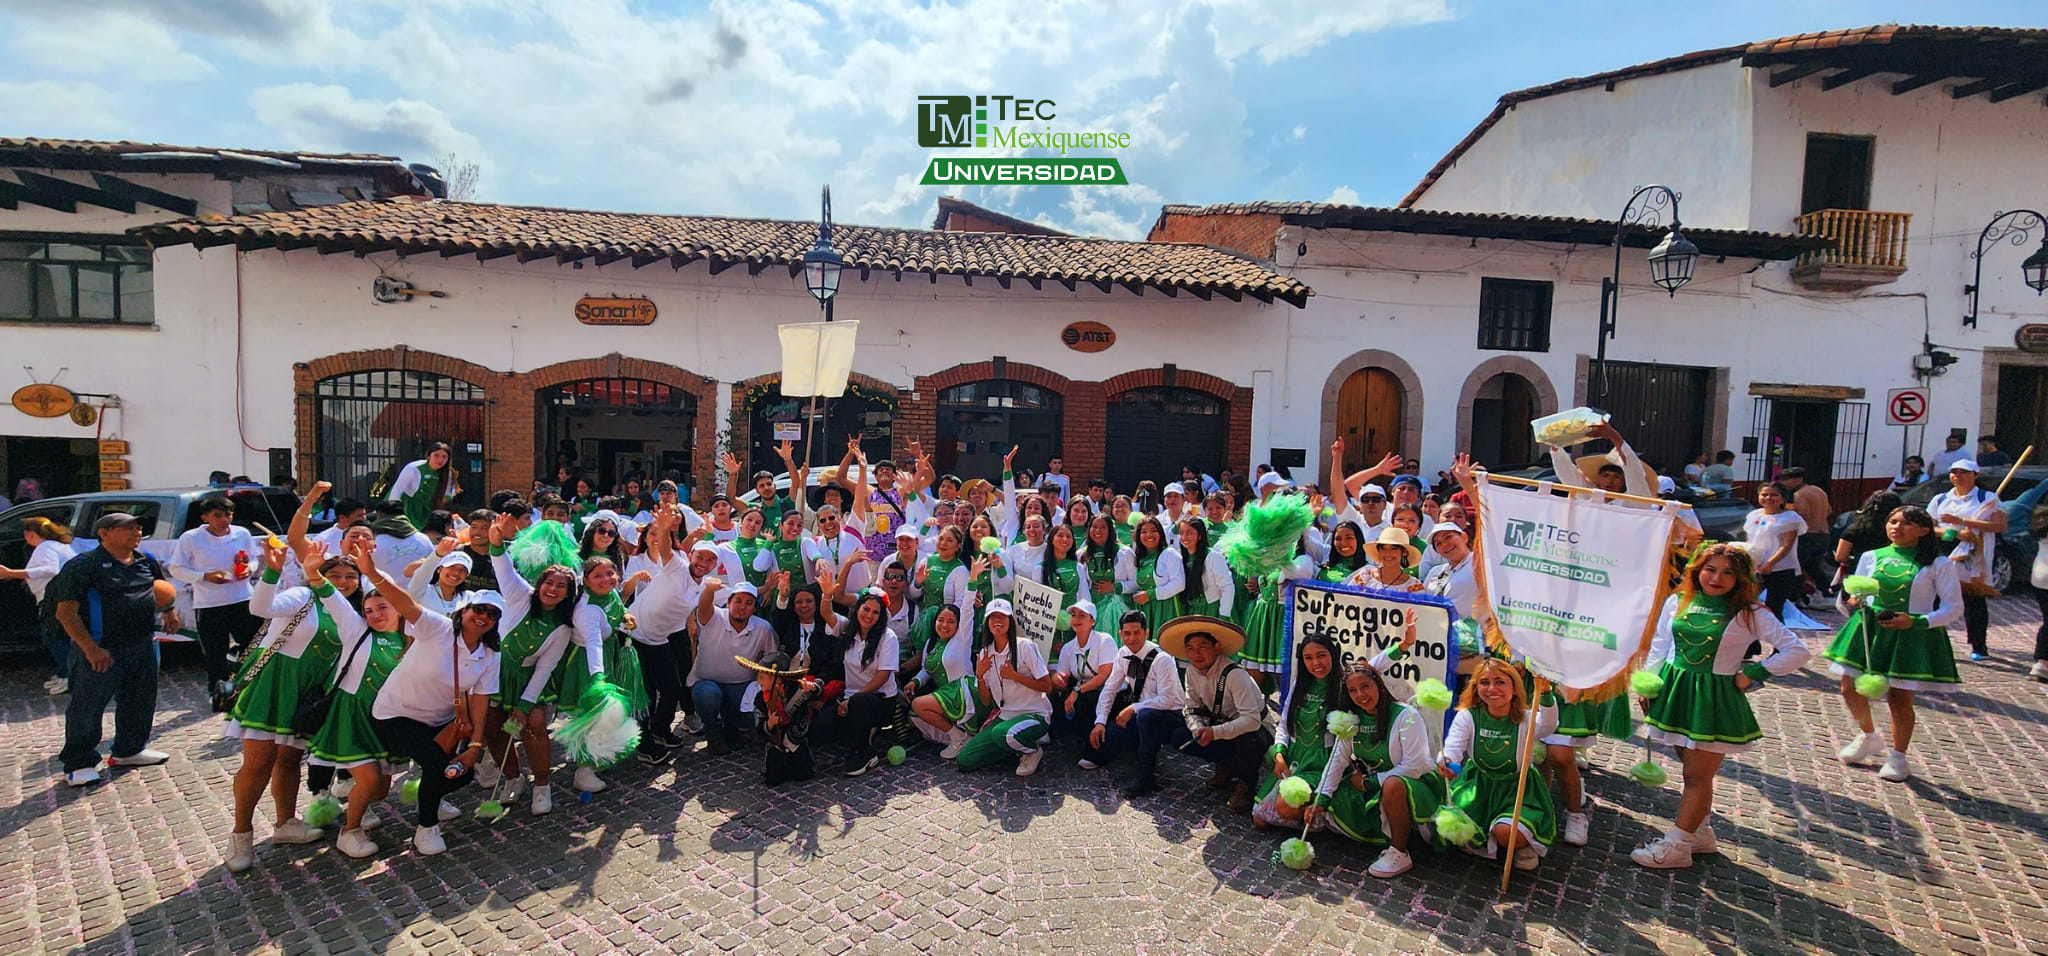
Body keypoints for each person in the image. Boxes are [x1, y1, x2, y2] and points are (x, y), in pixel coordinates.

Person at [1632, 543, 1811, 868]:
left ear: (1741, 578)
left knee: (1697, 777)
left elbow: (1796, 650)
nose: (1717, 578)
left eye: (1728, 572)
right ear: (1697, 569)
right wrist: (1648, 682)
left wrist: (1752, 674)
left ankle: (1679, 844)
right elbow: (1661, 644)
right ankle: (1699, 832)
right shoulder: (1677, 600)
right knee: (1692, 772)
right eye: (1710, 569)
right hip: (1674, 692)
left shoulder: (1750, 613)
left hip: (1713, 700)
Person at [222, 538, 363, 869]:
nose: (343, 582)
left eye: (351, 576)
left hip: (308, 692)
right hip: (273, 683)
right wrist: (272, 571)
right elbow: (260, 609)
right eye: (337, 575)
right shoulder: (303, 596)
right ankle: (241, 834)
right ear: (319, 574)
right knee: (257, 763)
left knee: (289, 760)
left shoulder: (352, 611)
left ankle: (286, 823)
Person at [1825, 506, 1962, 783]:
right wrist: (1856, 598)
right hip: (1869, 628)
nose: (1896, 527)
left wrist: (1916, 622)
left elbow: (1953, 608)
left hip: (1911, 633)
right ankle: (1868, 736)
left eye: (1906, 523)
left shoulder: (1939, 564)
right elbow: (1855, 591)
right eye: (1893, 520)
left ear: (1924, 530)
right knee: (1849, 687)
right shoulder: (1871, 556)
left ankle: (1899, 756)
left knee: (1899, 699)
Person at [370, 582, 502, 857]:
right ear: (464, 611)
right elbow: (406, 604)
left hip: (441, 722)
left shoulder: (489, 654)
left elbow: (481, 699)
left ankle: (429, 795)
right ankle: (426, 827)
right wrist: (371, 572)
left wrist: (475, 746)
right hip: (396, 713)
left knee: (462, 773)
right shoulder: (438, 628)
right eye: (479, 609)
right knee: (438, 767)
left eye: (492, 614)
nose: (484, 617)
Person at [52, 512, 178, 787]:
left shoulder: (145, 559)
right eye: (128, 528)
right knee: (88, 706)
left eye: (138, 527)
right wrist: (90, 648)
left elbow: (157, 587)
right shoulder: (83, 566)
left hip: (143, 643)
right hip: (101, 648)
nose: (136, 532)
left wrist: (169, 611)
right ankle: (79, 762)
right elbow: (66, 613)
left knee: (140, 699)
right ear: (104, 533)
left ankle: (128, 750)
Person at [305, 556, 412, 860]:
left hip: (385, 721)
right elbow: (332, 598)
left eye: (383, 607)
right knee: (369, 780)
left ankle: (351, 798)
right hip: (350, 718)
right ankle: (349, 831)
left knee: (378, 788)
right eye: (369, 609)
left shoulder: (411, 641)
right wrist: (313, 572)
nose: (375, 614)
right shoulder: (356, 631)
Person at [1307, 664, 1443, 879]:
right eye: (1353, 690)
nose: (1360, 695)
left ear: (1378, 685)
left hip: (1414, 784)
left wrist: (1369, 783)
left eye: (1365, 686)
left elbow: (1413, 767)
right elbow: (1337, 760)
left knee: (1393, 785)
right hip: (1373, 784)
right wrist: (1321, 799)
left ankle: (1400, 851)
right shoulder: (1351, 720)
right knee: (1331, 795)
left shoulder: (1406, 716)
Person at [1438, 657, 1558, 872]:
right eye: (1484, 682)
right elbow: (1453, 747)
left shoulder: (1526, 718)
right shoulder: (1468, 716)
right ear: (1476, 687)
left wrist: (1546, 691)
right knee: (1444, 827)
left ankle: (1522, 844)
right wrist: (1448, 762)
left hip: (1518, 789)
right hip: (1478, 787)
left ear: (1514, 686)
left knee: (1508, 834)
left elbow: (1549, 725)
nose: (1492, 689)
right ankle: (1486, 835)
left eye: (1500, 682)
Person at [1164, 615, 1272, 812]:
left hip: (1258, 730)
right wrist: (1198, 729)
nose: (1196, 654)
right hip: (1222, 724)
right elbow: (1191, 708)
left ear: (1217, 647)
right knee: (1180, 737)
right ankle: (1227, 764)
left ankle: (1247, 785)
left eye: (1203, 646)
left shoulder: (1235, 674)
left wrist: (1215, 733)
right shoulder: (1191, 672)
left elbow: (1252, 720)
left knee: (1248, 739)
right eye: (1191, 648)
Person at [169, 496, 262, 712]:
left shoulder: (242, 533)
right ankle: (219, 694)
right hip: (210, 603)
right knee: (215, 653)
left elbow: (253, 558)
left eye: (228, 515)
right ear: (205, 518)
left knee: (253, 646)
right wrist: (204, 576)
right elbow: (176, 568)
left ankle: (252, 689)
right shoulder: (191, 538)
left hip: (242, 599)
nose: (224, 520)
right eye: (217, 515)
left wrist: (250, 569)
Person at [1086, 610, 1189, 797]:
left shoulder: (1162, 659)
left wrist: (1134, 708)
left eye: (1137, 633)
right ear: (1120, 634)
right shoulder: (1122, 653)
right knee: (1106, 738)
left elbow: (1170, 699)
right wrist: (1099, 722)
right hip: (1140, 710)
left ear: (1146, 632)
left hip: (1169, 715)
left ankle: (1145, 777)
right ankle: (1121, 747)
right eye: (1127, 633)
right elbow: (1110, 688)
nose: (1131, 638)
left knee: (1146, 718)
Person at [956, 599, 1055, 776]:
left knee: (1004, 734)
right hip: (1005, 717)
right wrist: (979, 676)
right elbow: (986, 700)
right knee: (965, 760)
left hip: (1034, 713)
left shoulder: (1025, 646)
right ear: (987, 622)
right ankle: (1013, 745)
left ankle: (1032, 750)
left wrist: (1016, 676)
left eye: (1002, 616)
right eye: (992, 617)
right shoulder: (986, 652)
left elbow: (1047, 686)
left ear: (1010, 620)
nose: (997, 621)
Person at [1252, 634, 1342, 827]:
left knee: (1286, 808)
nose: (1316, 663)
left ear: (1333, 655)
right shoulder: (1300, 684)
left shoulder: (1343, 686)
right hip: (1294, 758)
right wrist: (1279, 756)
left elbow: (1373, 668)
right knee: (1259, 820)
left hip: (1321, 762)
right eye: (1308, 658)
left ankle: (1319, 814)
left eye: (1321, 655)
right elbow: (1284, 725)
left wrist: (1402, 646)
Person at [686, 579, 779, 755]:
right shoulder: (713, 618)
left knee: (751, 718)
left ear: (754, 608)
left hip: (742, 686)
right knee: (707, 695)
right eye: (737, 601)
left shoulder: (763, 628)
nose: (742, 607)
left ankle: (734, 726)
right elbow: (704, 606)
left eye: (748, 603)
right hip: (707, 683)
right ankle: (713, 734)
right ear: (728, 602)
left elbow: (771, 660)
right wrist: (709, 590)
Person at [1927, 460, 2005, 661]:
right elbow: (1929, 527)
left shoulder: (1987, 499)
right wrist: (1953, 533)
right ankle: (1929, 640)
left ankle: (1979, 645)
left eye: (1963, 472)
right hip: (1945, 551)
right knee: (1934, 598)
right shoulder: (1940, 499)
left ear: (1975, 475)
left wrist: (1964, 522)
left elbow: (1999, 525)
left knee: (1974, 602)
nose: (1957, 476)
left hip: (1974, 554)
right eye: (1954, 472)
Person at [0, 515, 78, 694]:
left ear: (31, 533)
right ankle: (63, 672)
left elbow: (51, 569)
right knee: (61, 636)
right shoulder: (59, 545)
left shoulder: (45, 547)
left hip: (54, 598)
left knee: (54, 637)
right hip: (62, 596)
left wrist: (11, 573)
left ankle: (67, 675)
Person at [836, 591, 901, 776]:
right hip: (849, 697)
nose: (869, 615)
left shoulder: (888, 637)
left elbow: (883, 676)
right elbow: (827, 613)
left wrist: (853, 699)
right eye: (865, 609)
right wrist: (827, 593)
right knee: (820, 728)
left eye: (875, 612)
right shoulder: (849, 632)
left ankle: (865, 752)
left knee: (859, 703)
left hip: (879, 700)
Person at [906, 604, 980, 757]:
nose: (944, 625)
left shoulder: (962, 640)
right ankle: (959, 738)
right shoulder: (931, 643)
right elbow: (926, 669)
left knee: (918, 705)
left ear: (959, 624)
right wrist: (915, 681)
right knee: (914, 717)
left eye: (951, 621)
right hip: (944, 696)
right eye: (941, 620)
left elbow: (967, 610)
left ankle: (958, 738)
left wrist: (972, 583)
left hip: (961, 693)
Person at [744, 649, 821, 786]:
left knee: (803, 775)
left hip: (794, 740)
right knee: (773, 779)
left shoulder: (794, 689)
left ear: (776, 679)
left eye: (762, 677)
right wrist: (770, 724)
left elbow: (818, 689)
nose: (758, 681)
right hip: (776, 743)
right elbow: (759, 727)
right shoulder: (760, 699)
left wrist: (811, 688)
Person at [1049, 600, 1116, 741]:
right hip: (1081, 691)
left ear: (1092, 621)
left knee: (1088, 699)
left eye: (1082, 615)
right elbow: (1063, 674)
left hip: (1104, 692)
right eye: (1073, 615)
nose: (1076, 619)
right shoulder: (1068, 647)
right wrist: (1058, 678)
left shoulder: (1104, 640)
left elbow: (1103, 676)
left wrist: (1077, 691)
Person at [1744, 484, 1807, 620]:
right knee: (1746, 606)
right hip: (1755, 567)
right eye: (1764, 494)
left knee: (1774, 609)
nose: (1768, 498)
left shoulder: (1790, 517)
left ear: (1783, 498)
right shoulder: (1753, 515)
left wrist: (1770, 564)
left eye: (1773, 495)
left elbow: (1787, 544)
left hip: (1781, 569)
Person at [1120, 515, 1185, 640]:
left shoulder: (1170, 554)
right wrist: (1120, 587)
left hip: (1167, 609)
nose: (1149, 535)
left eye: (1153, 530)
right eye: (1144, 532)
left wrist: (1150, 595)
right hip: (1146, 610)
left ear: (1161, 533)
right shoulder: (1141, 558)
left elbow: (1179, 583)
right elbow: (1139, 583)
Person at [1777, 467, 1834, 595]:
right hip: (1824, 534)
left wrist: (1786, 510)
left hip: (1808, 535)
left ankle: (1795, 595)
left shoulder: (1800, 494)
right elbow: (1829, 511)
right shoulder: (1818, 490)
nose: (1784, 483)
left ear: (1798, 479)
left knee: (1796, 567)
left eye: (1787, 480)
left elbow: (1804, 514)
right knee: (1813, 566)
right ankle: (1826, 590)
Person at [387, 443, 462, 529]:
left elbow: (448, 493)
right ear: (429, 456)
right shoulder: (413, 468)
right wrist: (392, 511)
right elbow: (398, 490)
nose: (440, 460)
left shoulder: (448, 473)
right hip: (405, 504)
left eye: (444, 457)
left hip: (425, 509)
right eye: (436, 455)